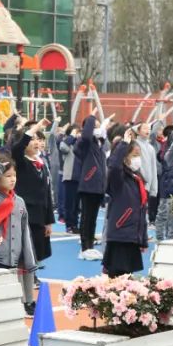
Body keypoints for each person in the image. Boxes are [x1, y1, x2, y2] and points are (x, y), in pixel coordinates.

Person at [0, 160, 37, 315]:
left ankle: (26, 303)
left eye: (14, 175)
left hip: (15, 257)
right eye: (7, 176)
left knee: (14, 297)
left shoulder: (20, 202)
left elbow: (25, 231)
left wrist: (28, 255)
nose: (12, 179)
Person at [101, 128, 151, 277]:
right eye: (134, 155)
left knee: (128, 277)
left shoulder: (136, 179)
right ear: (124, 157)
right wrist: (124, 144)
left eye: (139, 155)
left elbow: (141, 211)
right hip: (120, 234)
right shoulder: (118, 179)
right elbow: (114, 165)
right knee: (116, 276)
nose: (137, 159)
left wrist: (142, 239)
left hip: (132, 237)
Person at [12, 119, 55, 267]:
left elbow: (47, 193)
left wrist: (48, 221)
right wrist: (36, 127)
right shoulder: (21, 162)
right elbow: (17, 149)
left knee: (37, 250)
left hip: (40, 215)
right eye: (32, 139)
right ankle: (25, 275)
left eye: (38, 139)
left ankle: (32, 274)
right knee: (25, 251)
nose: (36, 142)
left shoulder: (41, 164)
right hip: (25, 214)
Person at [74, 112, 109, 261]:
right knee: (86, 217)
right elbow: (87, 136)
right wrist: (91, 117)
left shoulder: (98, 144)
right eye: (94, 126)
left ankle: (90, 246)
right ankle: (84, 248)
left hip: (98, 187)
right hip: (88, 185)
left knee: (93, 219)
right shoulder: (84, 143)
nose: (98, 128)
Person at [59, 126, 80, 233]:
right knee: (69, 204)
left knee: (76, 204)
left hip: (80, 177)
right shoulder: (68, 143)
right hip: (70, 176)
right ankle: (69, 225)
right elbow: (63, 147)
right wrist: (72, 136)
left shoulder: (80, 143)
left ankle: (75, 224)